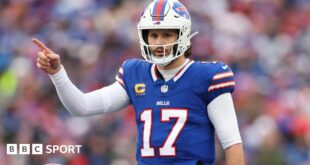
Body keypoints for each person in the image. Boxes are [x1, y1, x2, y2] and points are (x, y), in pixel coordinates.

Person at [33, 0, 245, 164]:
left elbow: (232, 143)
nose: (158, 42)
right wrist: (57, 73)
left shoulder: (207, 77)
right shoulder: (135, 73)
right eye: (153, 35)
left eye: (166, 34)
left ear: (183, 35)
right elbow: (82, 106)